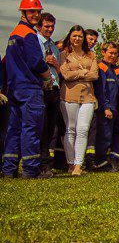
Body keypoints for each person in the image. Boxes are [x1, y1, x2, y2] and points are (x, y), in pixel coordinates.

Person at [2, 0, 53, 178]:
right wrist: (48, 76)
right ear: (23, 12)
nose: (36, 15)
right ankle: (31, 169)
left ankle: (9, 169)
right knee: (31, 128)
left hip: (14, 88)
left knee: (14, 128)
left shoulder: (14, 34)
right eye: (32, 11)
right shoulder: (29, 34)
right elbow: (36, 62)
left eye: (38, 11)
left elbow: (5, 62)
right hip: (30, 87)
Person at [58, 25, 98, 176]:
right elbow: (65, 75)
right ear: (70, 37)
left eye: (80, 36)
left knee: (83, 130)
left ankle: (78, 165)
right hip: (69, 95)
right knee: (71, 129)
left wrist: (76, 73)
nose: (77, 39)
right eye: (74, 36)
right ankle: (70, 162)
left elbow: (95, 75)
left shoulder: (91, 55)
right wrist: (83, 72)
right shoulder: (64, 54)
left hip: (88, 96)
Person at [36, 12, 66, 172]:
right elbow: (33, 63)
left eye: (52, 26)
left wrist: (55, 64)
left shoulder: (53, 46)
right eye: (46, 26)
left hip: (54, 88)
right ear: (39, 26)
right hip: (41, 88)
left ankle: (46, 161)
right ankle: (39, 162)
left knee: (50, 128)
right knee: (41, 127)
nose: (50, 29)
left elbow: (59, 71)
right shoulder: (34, 42)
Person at [91, 42, 119, 171]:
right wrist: (106, 107)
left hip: (114, 107)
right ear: (103, 52)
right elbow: (101, 90)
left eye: (115, 53)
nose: (113, 56)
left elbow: (117, 89)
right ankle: (100, 162)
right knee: (104, 135)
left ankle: (104, 160)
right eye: (111, 53)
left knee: (109, 135)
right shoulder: (101, 67)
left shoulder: (112, 68)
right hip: (105, 108)